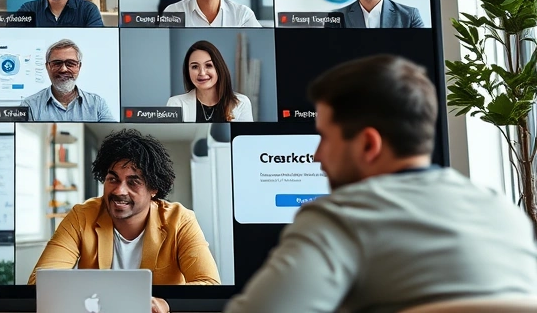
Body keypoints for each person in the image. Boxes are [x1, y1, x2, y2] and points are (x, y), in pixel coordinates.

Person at [224, 55, 537, 313]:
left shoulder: (342, 218)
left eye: (324, 139)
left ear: (368, 145)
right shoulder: (504, 212)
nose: (317, 156)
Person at [29, 129, 220, 313]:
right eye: (113, 179)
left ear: (153, 189)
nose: (119, 191)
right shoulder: (82, 216)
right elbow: (41, 282)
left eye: (133, 181)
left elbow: (209, 284)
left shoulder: (180, 220)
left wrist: (166, 303)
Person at [20, 39, 116, 121]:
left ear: (79, 66)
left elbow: (113, 137)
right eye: (57, 63)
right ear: (47, 67)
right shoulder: (29, 106)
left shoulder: (97, 104)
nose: (63, 69)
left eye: (70, 63)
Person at [166, 40, 253, 122]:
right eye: (195, 67)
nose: (202, 73)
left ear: (219, 68)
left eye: (208, 65)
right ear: (188, 71)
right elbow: (170, 137)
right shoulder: (176, 104)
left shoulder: (242, 103)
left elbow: (245, 137)